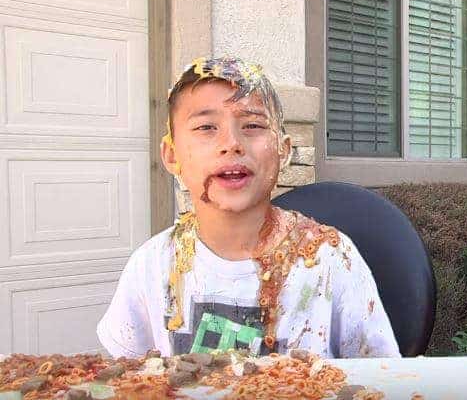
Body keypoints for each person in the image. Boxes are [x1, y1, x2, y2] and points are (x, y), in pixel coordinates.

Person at [97, 57, 400, 359]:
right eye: (206, 127)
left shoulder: (331, 260)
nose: (232, 143)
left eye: (253, 125)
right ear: (172, 155)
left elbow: (381, 379)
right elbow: (127, 378)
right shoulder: (152, 266)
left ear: (283, 151)